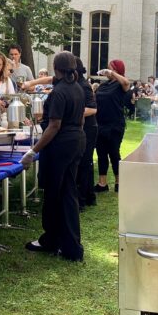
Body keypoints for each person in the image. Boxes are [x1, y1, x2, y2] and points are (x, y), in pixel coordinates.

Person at [22, 51, 86, 261]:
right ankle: (70, 245)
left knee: (54, 194)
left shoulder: (59, 92)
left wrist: (33, 151)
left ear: (56, 69)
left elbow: (54, 125)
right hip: (76, 140)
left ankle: (52, 240)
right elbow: (80, 120)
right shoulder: (77, 88)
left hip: (61, 146)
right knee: (68, 192)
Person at [94, 59, 130, 193]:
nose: (108, 71)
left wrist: (113, 74)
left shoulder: (121, 84)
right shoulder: (104, 85)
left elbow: (126, 83)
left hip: (115, 125)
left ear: (116, 70)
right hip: (100, 123)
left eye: (111, 68)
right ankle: (102, 183)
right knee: (101, 153)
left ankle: (119, 182)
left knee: (114, 153)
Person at [75, 59, 98, 208]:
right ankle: (90, 196)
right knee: (86, 163)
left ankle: (82, 199)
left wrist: (71, 112)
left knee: (84, 163)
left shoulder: (83, 86)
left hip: (89, 128)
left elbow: (92, 109)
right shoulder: (77, 84)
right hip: (83, 128)